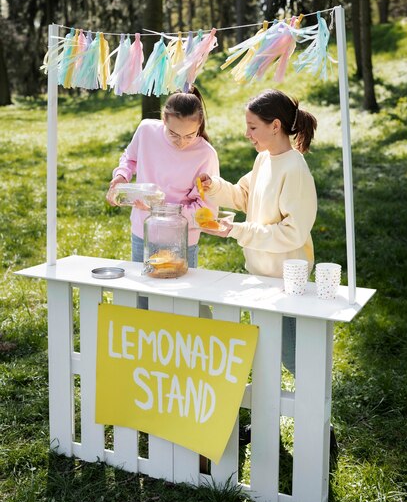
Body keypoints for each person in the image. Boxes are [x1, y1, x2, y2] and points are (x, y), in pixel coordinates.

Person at [198, 88, 318, 377]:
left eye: (253, 127)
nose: (247, 134)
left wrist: (237, 230)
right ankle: (266, 421)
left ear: (275, 126)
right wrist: (213, 185)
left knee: (292, 356)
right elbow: (244, 196)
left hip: (286, 280)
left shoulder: (294, 169)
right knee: (264, 352)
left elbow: (292, 233)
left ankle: (317, 421)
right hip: (261, 276)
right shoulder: (264, 159)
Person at [106, 86, 219, 269]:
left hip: (181, 240)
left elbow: (207, 210)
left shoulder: (206, 155)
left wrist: (160, 209)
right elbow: (130, 157)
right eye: (174, 134)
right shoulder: (146, 131)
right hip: (142, 233)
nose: (181, 142)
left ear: (199, 125)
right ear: (164, 119)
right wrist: (121, 175)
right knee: (142, 293)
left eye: (190, 135)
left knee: (177, 295)